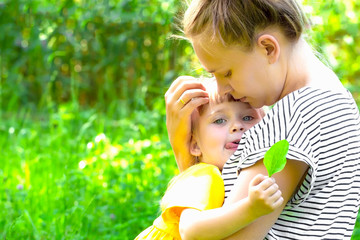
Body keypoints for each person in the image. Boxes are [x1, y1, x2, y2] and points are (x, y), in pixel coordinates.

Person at [165, 0, 360, 239]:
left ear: (268, 48)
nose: (222, 89)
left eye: (227, 73)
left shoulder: (292, 119)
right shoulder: (334, 95)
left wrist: (184, 152)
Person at [136, 78, 283, 239]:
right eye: (219, 120)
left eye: (248, 118)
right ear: (195, 146)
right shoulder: (204, 175)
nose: (237, 126)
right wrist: (250, 208)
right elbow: (191, 231)